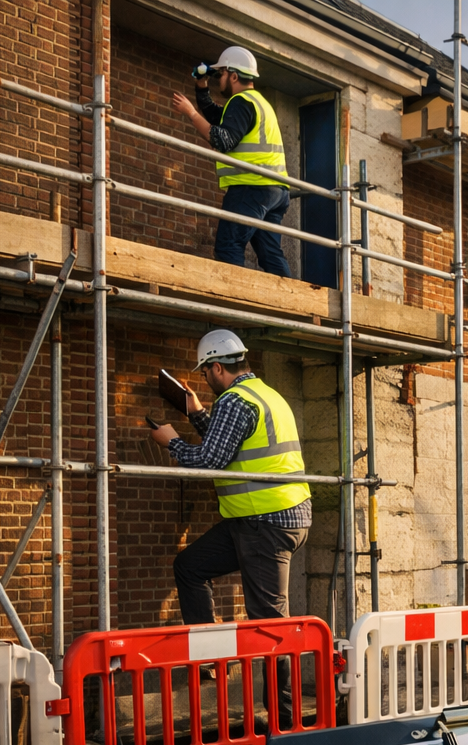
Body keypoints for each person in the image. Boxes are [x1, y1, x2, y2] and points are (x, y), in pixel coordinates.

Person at [150, 330, 311, 623]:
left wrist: (171, 442)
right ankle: (209, 661)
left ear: (217, 368)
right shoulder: (265, 393)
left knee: (268, 622)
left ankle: (279, 670)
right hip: (265, 519)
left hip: (266, 522)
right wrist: (198, 413)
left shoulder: (233, 400)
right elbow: (230, 443)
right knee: (190, 567)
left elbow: (210, 460)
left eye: (205, 373)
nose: (206, 379)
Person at [170, 46, 291, 276]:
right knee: (270, 255)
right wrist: (201, 85)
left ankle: (236, 306)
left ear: (234, 76)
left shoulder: (241, 102)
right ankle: (293, 308)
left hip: (251, 186)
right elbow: (218, 118)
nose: (220, 80)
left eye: (222, 74)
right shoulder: (257, 102)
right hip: (274, 190)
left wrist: (191, 113)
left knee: (228, 247)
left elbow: (221, 139)